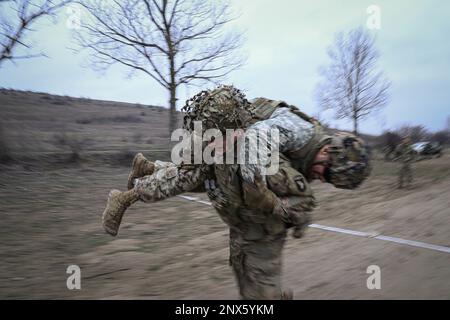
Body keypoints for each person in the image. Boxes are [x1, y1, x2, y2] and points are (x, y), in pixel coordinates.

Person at [101, 85, 371, 299]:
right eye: (325, 173)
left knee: (196, 177)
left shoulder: (309, 148)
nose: (321, 179)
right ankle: (136, 186)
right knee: (198, 175)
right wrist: (263, 195)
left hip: (240, 176)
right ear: (329, 152)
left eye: (328, 180)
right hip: (240, 169)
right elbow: (255, 142)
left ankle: (148, 170)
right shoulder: (299, 130)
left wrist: (293, 212)